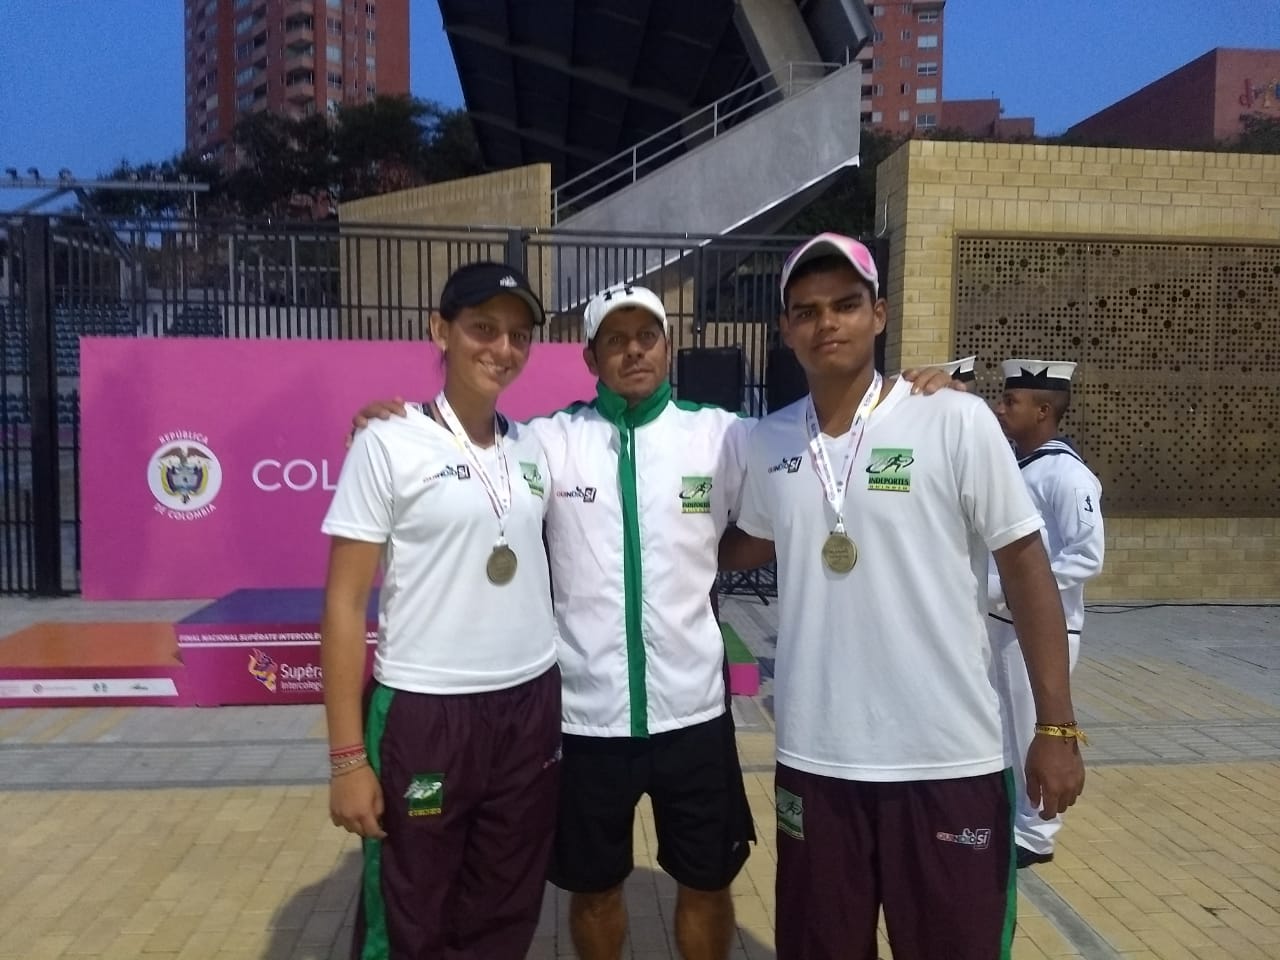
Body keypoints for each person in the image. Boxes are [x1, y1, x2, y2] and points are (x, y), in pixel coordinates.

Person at [350, 278, 957, 960]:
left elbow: (815, 458)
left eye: (646, 337)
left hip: (692, 714)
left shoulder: (723, 435)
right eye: (615, 339)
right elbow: (470, 447)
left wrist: (908, 396)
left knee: (706, 882)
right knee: (595, 887)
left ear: (668, 347)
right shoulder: (549, 442)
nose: (632, 351)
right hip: (585, 718)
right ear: (590, 357)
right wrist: (397, 418)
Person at [719, 232, 1087, 960]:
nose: (828, 322)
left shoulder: (953, 419)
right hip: (816, 761)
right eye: (808, 310)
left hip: (946, 760)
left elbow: (1024, 560)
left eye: (846, 305)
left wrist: (1057, 728)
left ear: (879, 315)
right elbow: (747, 543)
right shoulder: (765, 443)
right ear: (787, 330)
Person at [320, 262, 563, 960]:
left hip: (528, 705)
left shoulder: (534, 445)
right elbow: (343, 601)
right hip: (427, 713)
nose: (503, 349)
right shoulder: (387, 442)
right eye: (484, 329)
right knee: (411, 918)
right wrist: (345, 759)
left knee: (504, 910)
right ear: (440, 331)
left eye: (519, 335)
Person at [990, 358, 1105, 868]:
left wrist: (1022, 589)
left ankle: (1036, 836)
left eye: (1011, 401)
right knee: (1004, 731)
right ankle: (1015, 818)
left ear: (1043, 410)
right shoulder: (1020, 466)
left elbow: (1086, 555)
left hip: (1042, 627)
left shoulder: (1067, 474)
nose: (1001, 407)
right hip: (1005, 623)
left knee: (1032, 730)